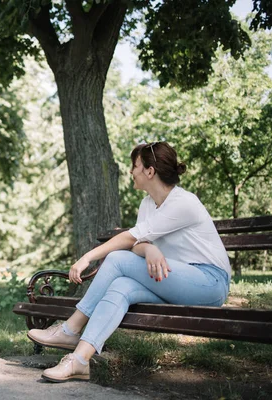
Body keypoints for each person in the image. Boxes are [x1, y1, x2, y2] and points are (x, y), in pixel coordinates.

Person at [28, 142, 230, 382]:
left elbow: (129, 240)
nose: (131, 172)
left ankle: (70, 328)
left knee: (116, 259)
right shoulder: (147, 204)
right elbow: (137, 244)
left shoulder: (182, 202)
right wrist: (149, 249)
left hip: (209, 282)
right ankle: (79, 361)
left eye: (134, 166)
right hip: (172, 278)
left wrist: (87, 257)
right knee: (120, 286)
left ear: (150, 171)